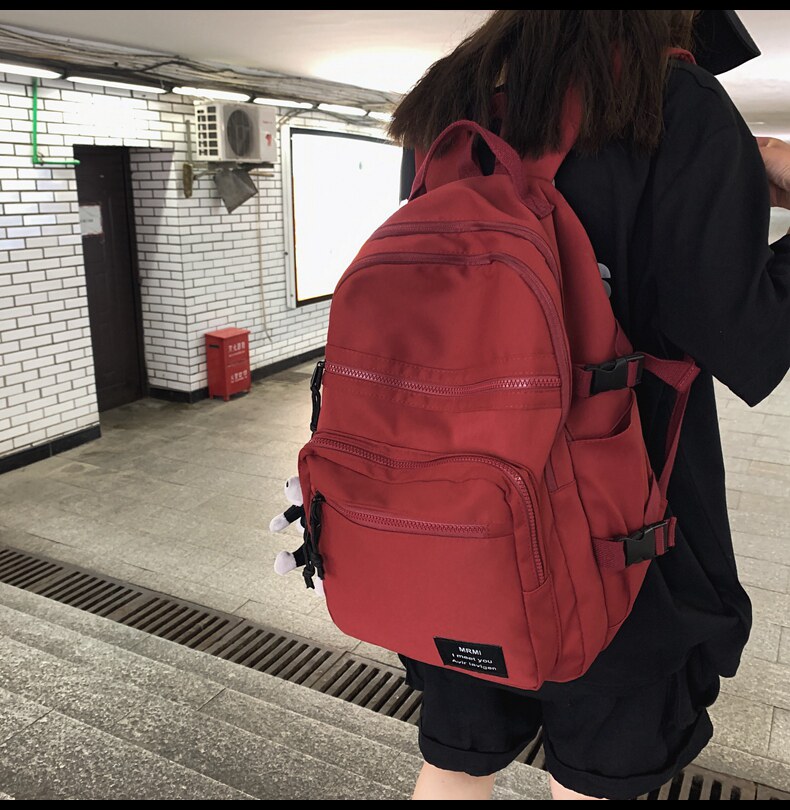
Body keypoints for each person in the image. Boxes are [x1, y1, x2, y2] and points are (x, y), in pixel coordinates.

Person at [387, 10, 790, 801]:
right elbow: (744, 339)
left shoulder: (449, 97)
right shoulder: (671, 101)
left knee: (455, 760)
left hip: (452, 519)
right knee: (595, 779)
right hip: (622, 543)